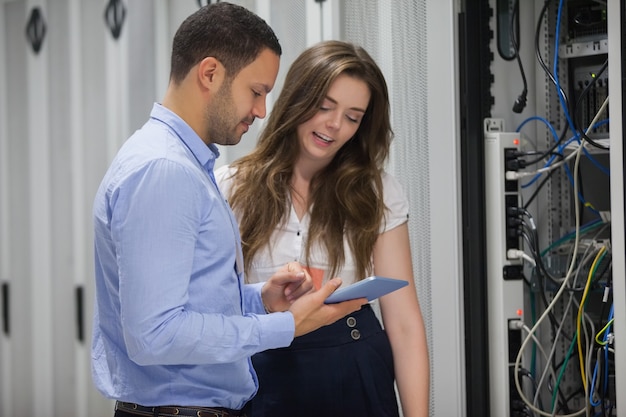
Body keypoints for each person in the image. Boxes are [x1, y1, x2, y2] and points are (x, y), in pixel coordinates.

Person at [91, 4, 365, 417]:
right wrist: (285, 327)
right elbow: (154, 335)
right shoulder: (165, 170)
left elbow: (190, 302)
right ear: (210, 73)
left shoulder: (186, 165)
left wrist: (259, 301)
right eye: (256, 91)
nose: (261, 111)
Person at [216, 40, 430, 417]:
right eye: (325, 106)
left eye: (353, 116)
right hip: (264, 369)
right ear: (297, 100)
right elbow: (212, 308)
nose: (334, 125)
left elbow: (404, 324)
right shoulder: (231, 187)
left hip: (355, 364)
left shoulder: (377, 192)